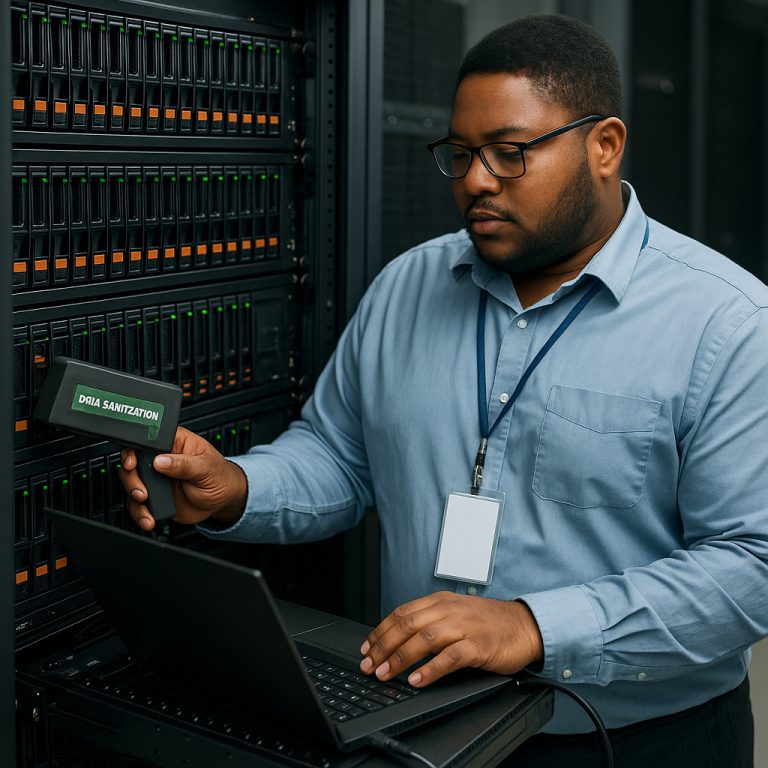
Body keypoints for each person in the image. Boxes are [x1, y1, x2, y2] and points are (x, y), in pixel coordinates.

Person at [120, 14, 767, 768]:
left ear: (604, 145)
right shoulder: (407, 286)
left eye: (509, 153)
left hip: (635, 741)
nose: (476, 181)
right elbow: (339, 455)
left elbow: (750, 566)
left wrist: (533, 626)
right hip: (422, 724)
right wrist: (236, 489)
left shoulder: (726, 322)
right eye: (459, 154)